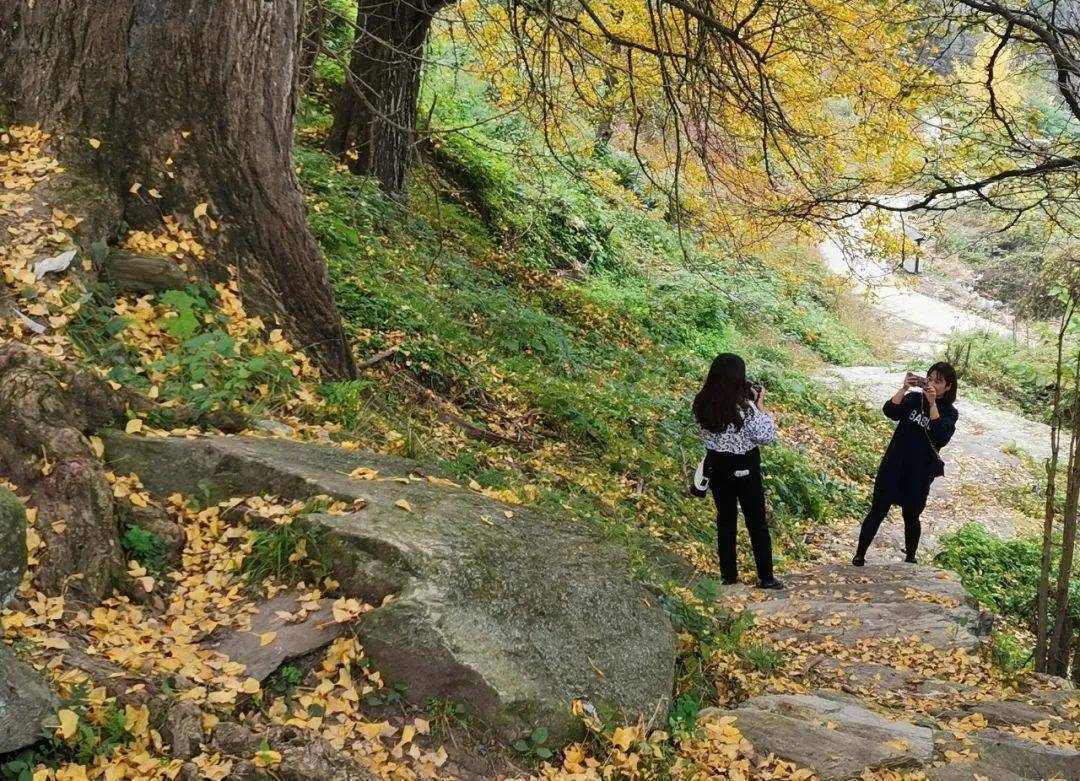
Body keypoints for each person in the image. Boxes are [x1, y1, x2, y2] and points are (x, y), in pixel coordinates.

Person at [852, 362, 959, 566]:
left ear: (948, 387)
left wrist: (932, 404)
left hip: (919, 471)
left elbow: (941, 435)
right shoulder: (913, 399)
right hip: (895, 464)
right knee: (878, 509)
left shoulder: (950, 412)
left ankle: (910, 557)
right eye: (930, 379)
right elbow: (890, 410)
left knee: (911, 515)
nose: (933, 384)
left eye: (939, 382)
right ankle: (859, 555)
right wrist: (904, 388)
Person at [693, 353, 783, 589]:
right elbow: (766, 436)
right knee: (756, 523)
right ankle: (766, 577)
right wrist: (759, 405)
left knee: (725, 521)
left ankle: (728, 575)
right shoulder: (744, 409)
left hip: (717, 467)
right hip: (745, 466)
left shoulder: (702, 402)